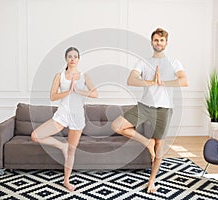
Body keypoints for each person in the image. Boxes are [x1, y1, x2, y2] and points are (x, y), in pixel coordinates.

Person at [111, 28, 188, 193]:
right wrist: (150, 82)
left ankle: (151, 181)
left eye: (161, 40)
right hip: (145, 106)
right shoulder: (143, 62)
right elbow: (131, 80)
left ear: (166, 43)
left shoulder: (174, 62)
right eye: (155, 40)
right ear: (151, 42)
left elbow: (184, 81)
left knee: (160, 145)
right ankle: (147, 142)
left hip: (164, 109)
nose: (158, 43)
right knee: (117, 125)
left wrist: (163, 82)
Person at [31, 47, 98, 192]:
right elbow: (53, 96)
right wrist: (68, 91)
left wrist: (78, 91)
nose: (73, 59)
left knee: (72, 151)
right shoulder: (59, 76)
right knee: (35, 136)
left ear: (79, 59)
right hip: (62, 114)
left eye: (75, 56)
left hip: (77, 116)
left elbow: (95, 94)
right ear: (66, 59)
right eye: (70, 56)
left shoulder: (84, 76)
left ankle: (66, 181)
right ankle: (62, 146)